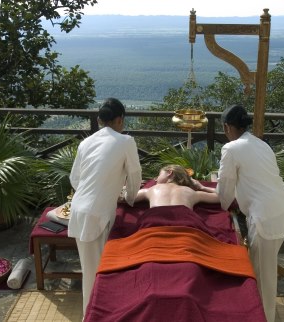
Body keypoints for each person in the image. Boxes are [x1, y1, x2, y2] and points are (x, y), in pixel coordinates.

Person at [215, 105, 284, 322]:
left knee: (263, 280)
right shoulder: (261, 144)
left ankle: (264, 318)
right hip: (282, 209)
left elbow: (224, 195)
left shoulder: (231, 149)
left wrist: (214, 199)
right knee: (262, 271)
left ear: (226, 127)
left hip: (266, 218)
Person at [68, 97, 142, 314]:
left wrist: (102, 189)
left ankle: (96, 315)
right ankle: (92, 317)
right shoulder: (125, 141)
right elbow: (135, 176)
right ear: (120, 119)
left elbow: (75, 179)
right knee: (96, 275)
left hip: (80, 209)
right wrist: (128, 198)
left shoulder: (86, 142)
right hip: (96, 214)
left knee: (90, 271)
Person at [134, 164, 218, 209]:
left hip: (156, 220)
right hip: (185, 223)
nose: (155, 179)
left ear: (169, 173)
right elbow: (223, 198)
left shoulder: (151, 189)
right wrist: (202, 187)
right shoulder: (192, 192)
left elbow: (124, 198)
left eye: (158, 175)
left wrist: (132, 187)